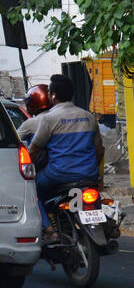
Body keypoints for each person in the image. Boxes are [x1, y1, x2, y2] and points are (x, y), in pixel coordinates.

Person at [23, 74, 104, 242]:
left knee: (30, 190)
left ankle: (49, 230)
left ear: (53, 95)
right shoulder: (88, 117)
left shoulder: (49, 118)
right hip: (88, 176)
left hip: (58, 175)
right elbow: (100, 150)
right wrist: (93, 171)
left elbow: (34, 150)